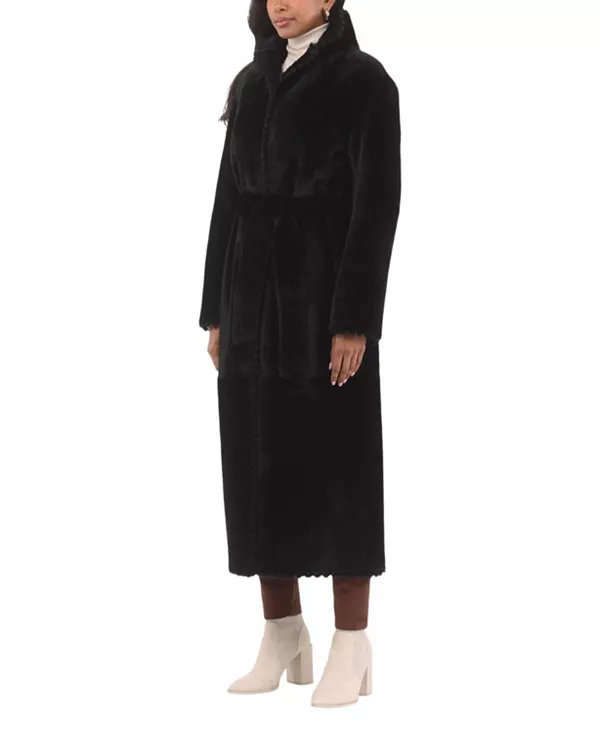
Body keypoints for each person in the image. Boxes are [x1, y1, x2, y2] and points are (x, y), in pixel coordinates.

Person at [198, 0, 401, 707]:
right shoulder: (251, 81)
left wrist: (354, 320)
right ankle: (282, 630)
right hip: (249, 299)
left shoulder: (365, 81)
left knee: (340, 466)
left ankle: (352, 640)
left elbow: (377, 205)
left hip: (323, 301)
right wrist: (216, 311)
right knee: (257, 462)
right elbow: (227, 199)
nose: (278, 3)